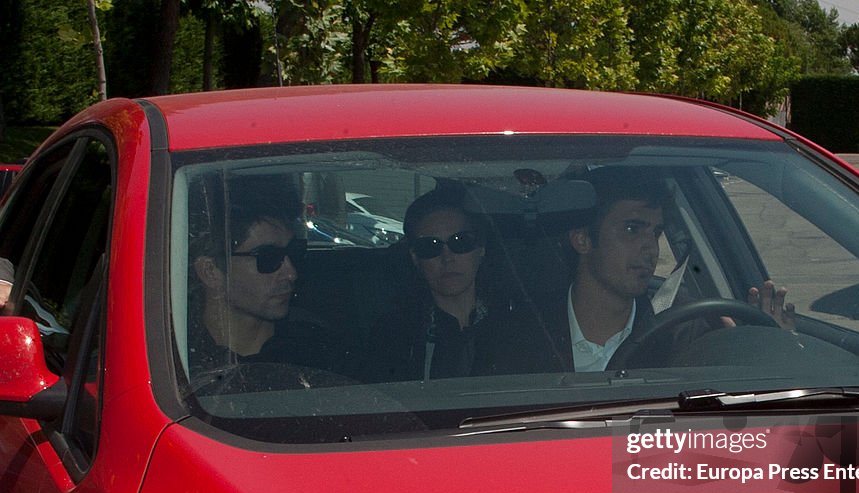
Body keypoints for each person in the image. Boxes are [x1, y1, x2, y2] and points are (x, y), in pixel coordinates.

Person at [484, 168, 794, 374]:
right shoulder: (516, 336)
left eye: (656, 233)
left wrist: (773, 350)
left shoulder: (686, 333)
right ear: (582, 239)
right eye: (632, 229)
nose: (651, 249)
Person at [188, 176, 352, 379]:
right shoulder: (175, 360)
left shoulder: (317, 350)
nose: (291, 273)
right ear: (210, 271)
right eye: (268, 258)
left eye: (295, 252)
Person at [363, 186, 500, 381]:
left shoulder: (516, 323)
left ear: (481, 249)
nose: (447, 257)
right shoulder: (394, 335)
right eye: (430, 246)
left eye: (460, 241)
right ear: (415, 257)